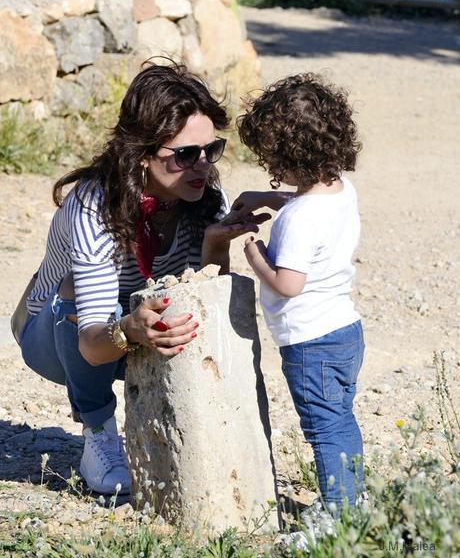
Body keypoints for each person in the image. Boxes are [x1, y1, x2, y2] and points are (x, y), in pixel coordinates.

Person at [12, 61, 267, 495]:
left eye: (212, 150)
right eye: (185, 154)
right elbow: (93, 343)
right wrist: (131, 327)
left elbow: (203, 304)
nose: (202, 165)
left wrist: (216, 245)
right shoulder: (93, 207)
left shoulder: (204, 196)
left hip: (137, 325)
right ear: (143, 155)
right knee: (83, 295)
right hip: (58, 337)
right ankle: (99, 433)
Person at [233, 72, 364, 510]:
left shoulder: (299, 219)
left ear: (286, 157)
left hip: (310, 342)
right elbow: (309, 207)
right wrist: (269, 199)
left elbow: (288, 283)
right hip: (344, 330)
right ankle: (352, 501)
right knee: (340, 420)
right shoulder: (341, 192)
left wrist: (255, 253)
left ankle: (339, 517)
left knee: (324, 430)